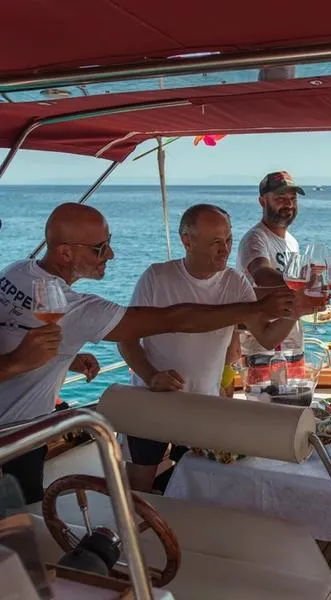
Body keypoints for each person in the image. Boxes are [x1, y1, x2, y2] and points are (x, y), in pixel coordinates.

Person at [0, 203, 294, 503]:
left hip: (20, 431)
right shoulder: (77, 307)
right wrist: (254, 308)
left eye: (109, 242)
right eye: (100, 248)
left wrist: (64, 356)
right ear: (65, 253)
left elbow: (13, 329)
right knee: (22, 521)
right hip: (17, 434)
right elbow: (175, 320)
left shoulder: (17, 272)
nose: (111, 254)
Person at [119, 204, 305, 491]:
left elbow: (267, 338)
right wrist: (151, 375)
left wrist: (296, 311)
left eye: (228, 239)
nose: (225, 249)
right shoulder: (157, 277)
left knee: (198, 485)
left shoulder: (234, 282)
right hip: (152, 399)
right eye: (215, 242)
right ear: (187, 241)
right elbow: (126, 339)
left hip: (203, 404)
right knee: (138, 486)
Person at [237, 171, 322, 379]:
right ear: (262, 201)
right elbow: (262, 275)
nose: (289, 204)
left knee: (297, 400)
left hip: (292, 347)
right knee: (264, 402)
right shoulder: (255, 238)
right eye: (280, 199)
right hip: (262, 351)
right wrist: (304, 284)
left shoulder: (292, 242)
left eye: (292, 199)